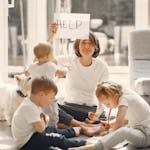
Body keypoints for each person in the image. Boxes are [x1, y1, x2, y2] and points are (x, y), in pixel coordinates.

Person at [48, 23, 109, 126]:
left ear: (96, 47)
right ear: (77, 45)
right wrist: (51, 36)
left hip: (90, 110)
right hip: (69, 107)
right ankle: (82, 125)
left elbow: (104, 96)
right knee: (50, 104)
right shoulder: (70, 60)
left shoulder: (102, 66)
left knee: (102, 117)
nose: (87, 46)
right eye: (83, 43)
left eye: (90, 43)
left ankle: (72, 125)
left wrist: (97, 114)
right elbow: (44, 59)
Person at [11, 76, 88, 150]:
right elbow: (41, 129)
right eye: (51, 98)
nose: (51, 101)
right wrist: (46, 120)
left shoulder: (32, 103)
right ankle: (81, 145)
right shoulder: (29, 108)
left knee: (52, 129)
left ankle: (72, 131)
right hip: (27, 143)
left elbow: (41, 122)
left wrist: (44, 120)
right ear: (41, 95)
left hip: (33, 135)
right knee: (55, 138)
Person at [69, 81, 150, 150]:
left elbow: (119, 124)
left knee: (123, 131)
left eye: (107, 104)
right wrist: (110, 124)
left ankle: (95, 147)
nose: (108, 107)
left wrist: (109, 133)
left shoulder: (124, 99)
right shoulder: (124, 93)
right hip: (140, 130)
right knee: (122, 130)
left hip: (146, 136)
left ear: (115, 96)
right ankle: (97, 138)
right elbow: (126, 119)